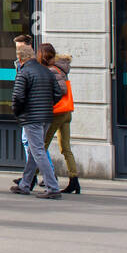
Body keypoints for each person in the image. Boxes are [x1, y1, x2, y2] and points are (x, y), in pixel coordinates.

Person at [11, 41, 62, 199]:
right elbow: (58, 93)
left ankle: (53, 187)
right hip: (46, 116)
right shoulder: (46, 71)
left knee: (38, 151)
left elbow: (18, 97)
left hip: (32, 117)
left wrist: (18, 112)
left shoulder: (24, 72)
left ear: (20, 59)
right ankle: (25, 184)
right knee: (35, 151)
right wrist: (47, 105)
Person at [44, 47, 81, 195]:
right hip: (66, 112)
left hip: (58, 112)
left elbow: (61, 90)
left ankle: (30, 177)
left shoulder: (53, 70)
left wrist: (50, 101)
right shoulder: (63, 69)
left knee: (41, 145)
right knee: (65, 148)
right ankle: (74, 180)